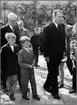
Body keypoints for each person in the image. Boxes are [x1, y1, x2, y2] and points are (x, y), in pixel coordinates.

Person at [43, 9, 66, 100]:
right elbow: (45, 43)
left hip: (59, 54)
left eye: (61, 16)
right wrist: (46, 55)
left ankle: (46, 85)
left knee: (53, 71)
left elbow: (62, 40)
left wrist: (63, 52)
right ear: (54, 16)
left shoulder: (62, 26)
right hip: (51, 55)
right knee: (54, 73)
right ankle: (55, 92)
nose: (61, 18)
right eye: (59, 16)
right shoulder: (47, 28)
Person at [1, 12, 21, 90]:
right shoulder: (3, 29)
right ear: (8, 20)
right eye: (12, 20)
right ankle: (5, 85)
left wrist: (18, 50)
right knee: (6, 69)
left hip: (15, 52)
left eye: (15, 20)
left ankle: (16, 84)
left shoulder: (16, 28)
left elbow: (18, 40)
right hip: (6, 53)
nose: (14, 22)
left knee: (16, 68)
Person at [18, 36, 41, 100]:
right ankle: (24, 95)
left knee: (33, 82)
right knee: (24, 83)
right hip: (24, 71)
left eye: (28, 42)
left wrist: (33, 63)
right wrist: (28, 65)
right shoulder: (20, 52)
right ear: (22, 44)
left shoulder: (31, 50)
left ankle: (35, 94)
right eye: (26, 43)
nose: (28, 44)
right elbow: (20, 63)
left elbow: (33, 57)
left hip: (31, 70)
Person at [1, 33, 19, 100]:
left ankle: (10, 90)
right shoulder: (4, 48)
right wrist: (2, 69)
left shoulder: (16, 46)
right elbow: (2, 59)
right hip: (7, 68)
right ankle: (11, 94)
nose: (14, 41)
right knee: (8, 80)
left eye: (14, 40)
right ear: (7, 39)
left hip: (15, 67)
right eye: (12, 40)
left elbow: (18, 56)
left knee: (15, 79)